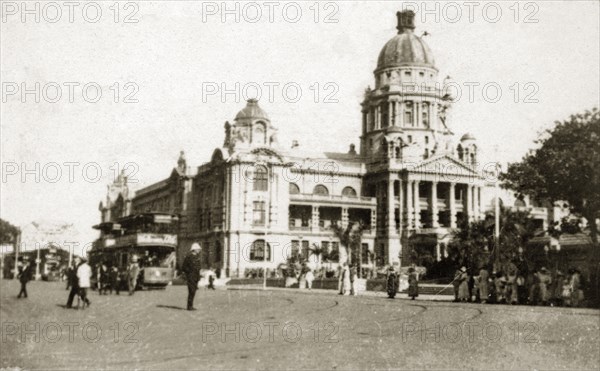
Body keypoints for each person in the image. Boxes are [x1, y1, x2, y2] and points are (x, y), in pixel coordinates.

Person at [182, 243, 202, 310]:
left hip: (196, 276)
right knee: (191, 291)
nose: (199, 250)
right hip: (191, 276)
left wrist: (198, 276)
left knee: (193, 291)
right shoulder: (188, 257)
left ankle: (190, 305)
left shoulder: (197, 257)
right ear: (194, 249)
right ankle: (189, 306)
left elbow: (198, 267)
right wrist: (190, 272)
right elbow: (184, 267)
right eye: (198, 249)